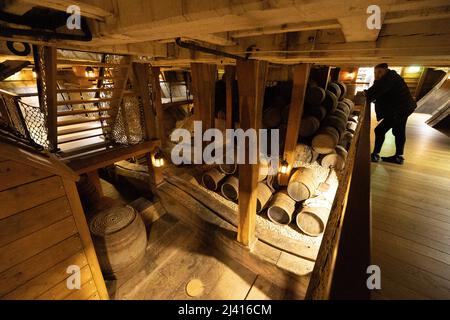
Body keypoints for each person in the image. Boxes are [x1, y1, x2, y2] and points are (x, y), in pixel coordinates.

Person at [364, 63, 416, 165]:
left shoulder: (390, 77)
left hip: (400, 109)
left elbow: (379, 89)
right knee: (399, 131)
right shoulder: (390, 77)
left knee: (379, 130)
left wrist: (367, 94)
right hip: (404, 108)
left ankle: (375, 154)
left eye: (380, 72)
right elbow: (381, 91)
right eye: (375, 72)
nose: (377, 74)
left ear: (386, 70)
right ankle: (398, 156)